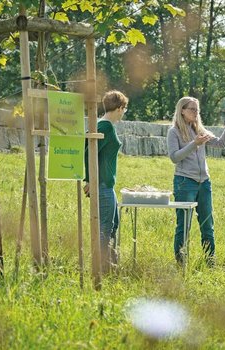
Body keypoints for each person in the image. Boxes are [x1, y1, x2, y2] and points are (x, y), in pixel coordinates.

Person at [166, 97, 225, 267]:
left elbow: (220, 143)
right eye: (192, 109)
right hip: (184, 183)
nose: (196, 113)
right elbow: (174, 157)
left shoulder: (200, 130)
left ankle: (210, 263)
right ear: (182, 110)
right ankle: (181, 264)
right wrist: (194, 144)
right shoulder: (174, 132)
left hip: (204, 183)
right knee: (183, 226)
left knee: (208, 226)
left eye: (197, 110)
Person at [83, 90, 129, 274]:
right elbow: (89, 152)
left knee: (113, 224)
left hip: (107, 184)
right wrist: (89, 179)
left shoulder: (106, 125)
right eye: (124, 109)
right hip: (102, 185)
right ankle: (100, 266)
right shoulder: (105, 126)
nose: (124, 112)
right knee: (105, 227)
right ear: (119, 108)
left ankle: (111, 264)